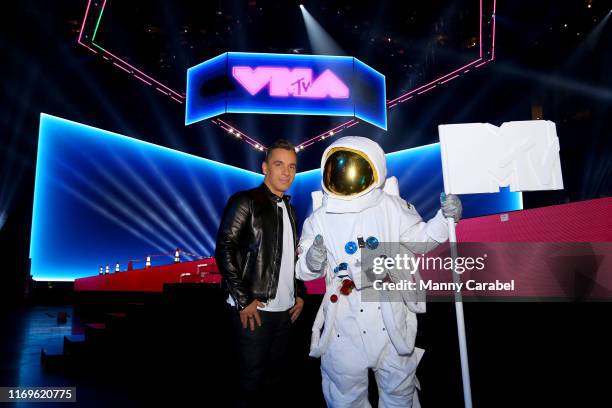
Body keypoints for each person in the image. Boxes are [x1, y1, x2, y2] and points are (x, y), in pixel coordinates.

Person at [296, 136, 462, 407]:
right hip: (343, 320)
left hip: (389, 315)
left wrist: (445, 219)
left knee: (399, 392)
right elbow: (304, 271)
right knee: (344, 395)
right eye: (338, 167)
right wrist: (313, 260)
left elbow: (421, 240)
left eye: (353, 166)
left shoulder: (392, 207)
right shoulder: (319, 219)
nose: (345, 174)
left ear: (374, 169)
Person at [215, 139, 306, 407]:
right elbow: (224, 249)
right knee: (249, 383)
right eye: (279, 164)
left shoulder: (290, 209)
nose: (286, 172)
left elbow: (290, 258)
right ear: (265, 167)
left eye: (292, 166)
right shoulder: (245, 200)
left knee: (274, 381)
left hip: (285, 312)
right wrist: (244, 300)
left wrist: (299, 293)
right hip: (254, 310)